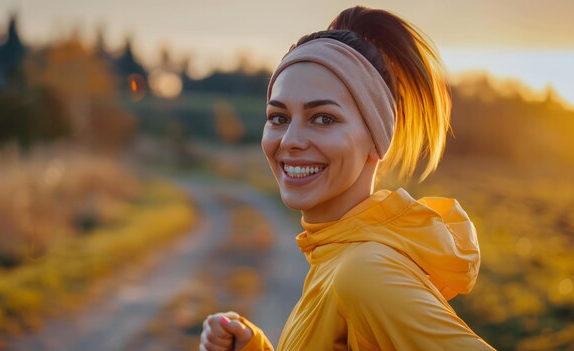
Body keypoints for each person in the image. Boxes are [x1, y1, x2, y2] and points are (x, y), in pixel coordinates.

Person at [200, 5, 497, 351]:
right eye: (278, 117)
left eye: (323, 118)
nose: (290, 140)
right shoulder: (336, 253)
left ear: (375, 138)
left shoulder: (364, 272)